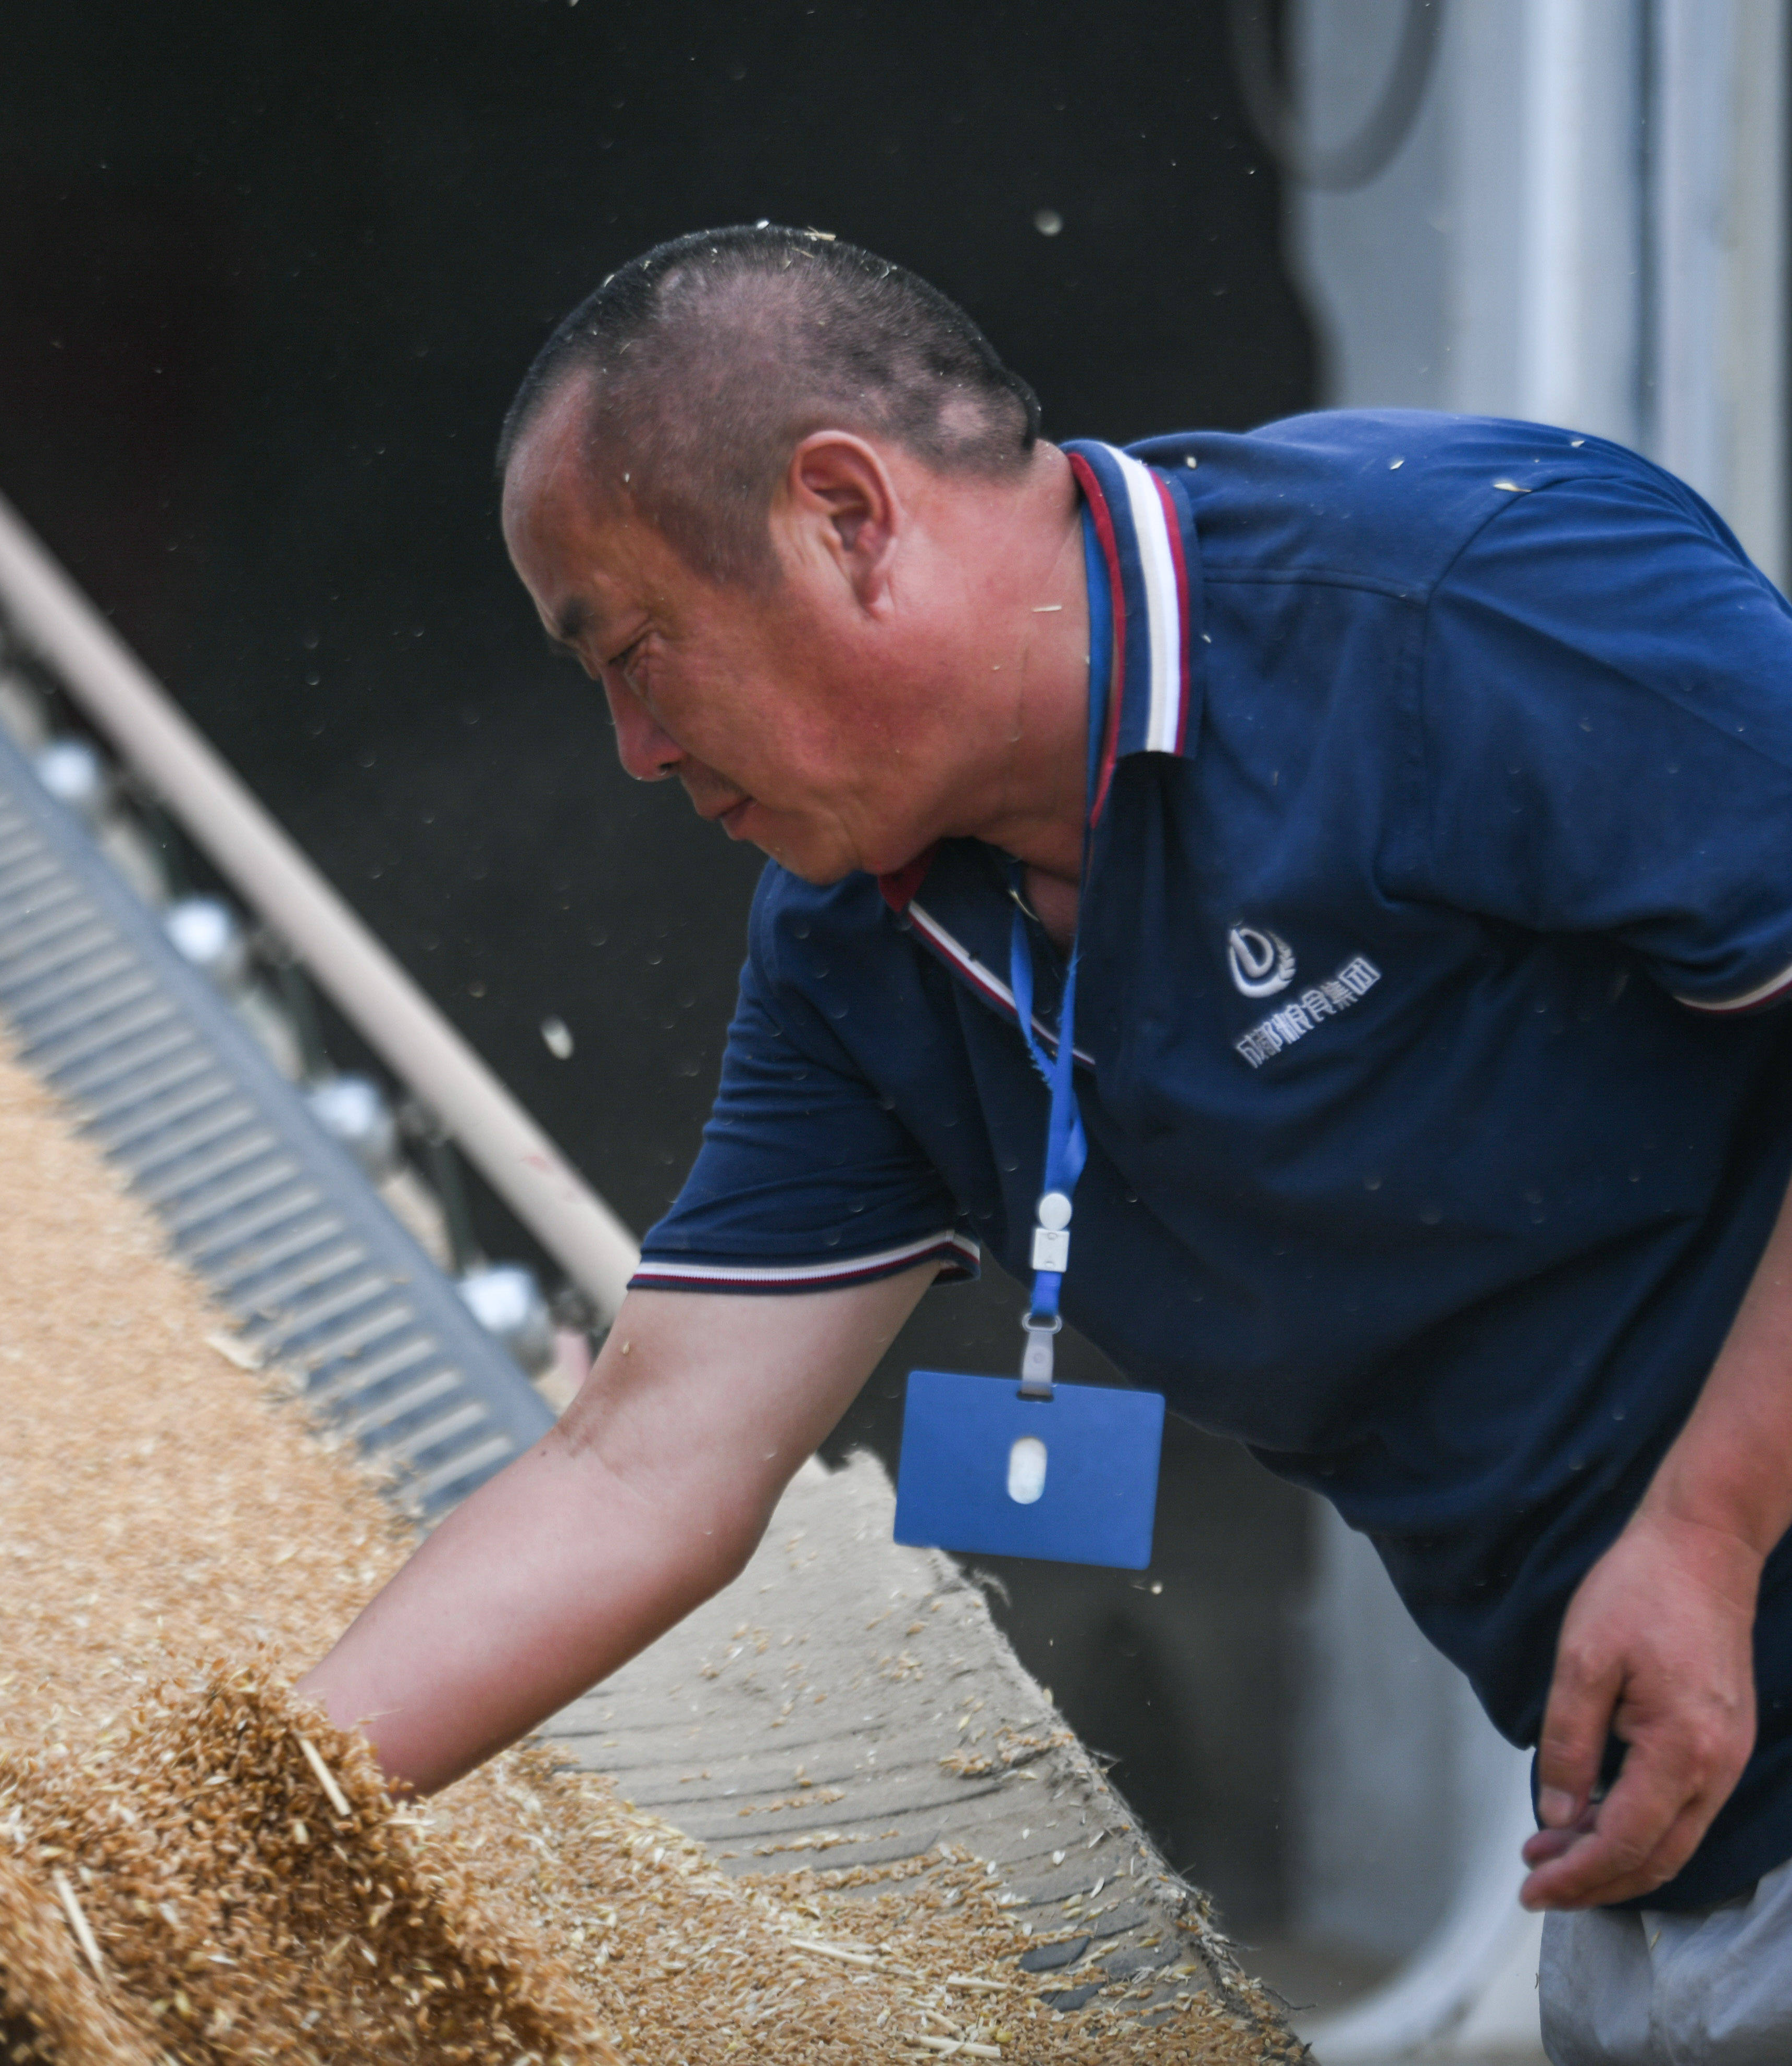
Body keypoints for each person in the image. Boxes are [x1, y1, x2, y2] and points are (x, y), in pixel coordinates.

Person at [295, 225, 1792, 2065]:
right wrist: (250, 1813)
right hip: (1667, 1865)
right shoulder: (865, 946)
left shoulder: (1453, 592)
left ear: (846, 515)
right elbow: (640, 1467)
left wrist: (1712, 1529)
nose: (627, 748)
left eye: (635, 653)